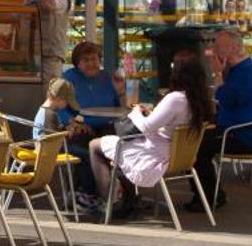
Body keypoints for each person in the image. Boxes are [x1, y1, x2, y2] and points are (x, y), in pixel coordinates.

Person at [88, 50, 213, 220]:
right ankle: (127, 199)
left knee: (95, 145)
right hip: (178, 156)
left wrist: (137, 111)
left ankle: (111, 203)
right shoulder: (200, 98)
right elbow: (170, 122)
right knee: (122, 147)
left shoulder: (175, 98)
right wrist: (152, 112)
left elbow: (146, 127)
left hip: (156, 154)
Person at [195, 29, 252, 210]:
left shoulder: (244, 72)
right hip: (246, 130)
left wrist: (217, 73)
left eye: (218, 46)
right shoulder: (247, 69)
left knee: (197, 145)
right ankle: (209, 196)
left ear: (233, 48)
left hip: (244, 135)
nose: (213, 49)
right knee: (201, 137)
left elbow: (226, 99)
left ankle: (209, 198)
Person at [62, 41, 125, 143]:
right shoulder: (68, 78)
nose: (90, 64)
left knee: (120, 138)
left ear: (99, 61)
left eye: (93, 59)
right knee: (79, 138)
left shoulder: (108, 77)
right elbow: (59, 108)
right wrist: (75, 124)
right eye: (85, 60)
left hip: (107, 126)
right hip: (80, 126)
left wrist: (121, 91)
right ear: (77, 63)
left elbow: (121, 110)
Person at [25, 0, 70, 82]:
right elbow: (18, 14)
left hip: (51, 56)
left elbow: (49, 5)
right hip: (32, 53)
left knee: (50, 92)